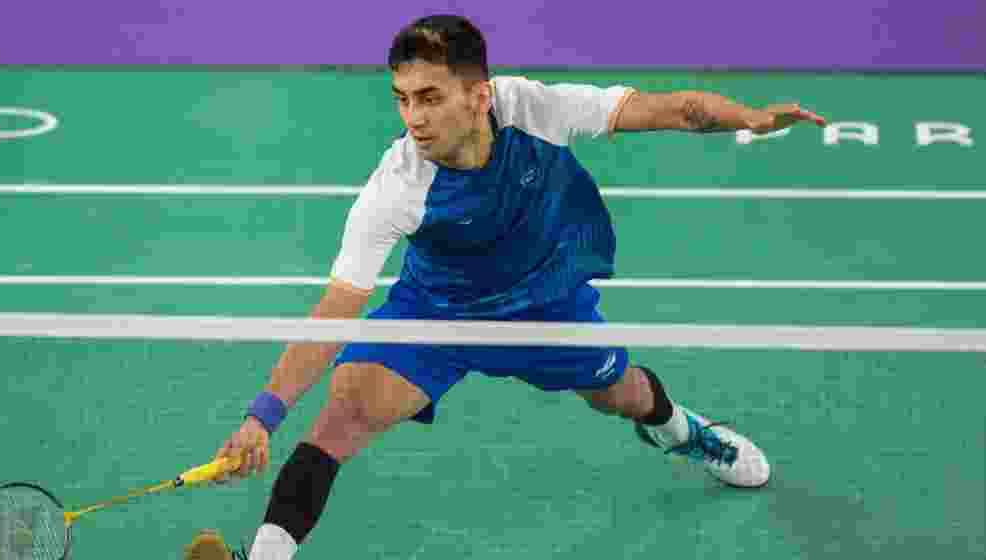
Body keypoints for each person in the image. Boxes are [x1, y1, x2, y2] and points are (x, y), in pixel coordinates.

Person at [207, 13, 826, 560]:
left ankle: (682, 432)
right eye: (401, 100)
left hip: (544, 303)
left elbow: (665, 110)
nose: (414, 119)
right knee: (340, 418)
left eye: (429, 98)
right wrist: (263, 416)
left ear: (479, 96)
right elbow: (338, 308)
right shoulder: (396, 186)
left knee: (622, 393)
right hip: (437, 314)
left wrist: (748, 118)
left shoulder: (534, 108)